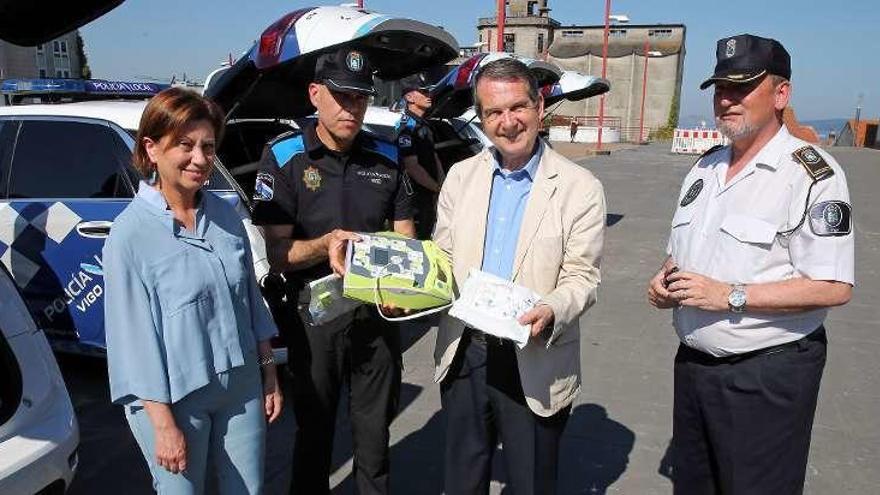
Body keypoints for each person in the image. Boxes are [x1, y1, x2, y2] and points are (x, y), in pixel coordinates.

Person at [647, 34, 854, 494]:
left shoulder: (811, 175)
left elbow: (834, 285)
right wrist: (665, 281)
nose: (727, 100)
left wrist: (731, 296)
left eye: (743, 88)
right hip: (695, 368)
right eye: (721, 89)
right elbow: (684, 251)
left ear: (781, 95)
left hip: (766, 374)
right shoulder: (704, 168)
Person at [432, 58, 607, 494]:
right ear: (481, 117)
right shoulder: (460, 177)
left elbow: (583, 276)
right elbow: (442, 255)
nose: (508, 122)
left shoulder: (579, 187)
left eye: (518, 107)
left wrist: (553, 306)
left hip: (533, 353)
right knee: (461, 482)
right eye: (493, 112)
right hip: (465, 350)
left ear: (539, 105)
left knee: (530, 483)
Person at [250, 47, 415, 495]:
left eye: (360, 98)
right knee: (315, 433)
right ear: (315, 94)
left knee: (374, 433)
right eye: (340, 96)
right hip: (313, 317)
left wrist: (405, 289)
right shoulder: (285, 156)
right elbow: (278, 253)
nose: (351, 107)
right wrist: (325, 245)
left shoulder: (386, 156)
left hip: (375, 314)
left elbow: (405, 238)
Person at [103, 87, 283, 494]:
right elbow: (133, 340)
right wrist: (163, 423)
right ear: (151, 148)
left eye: (208, 146)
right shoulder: (129, 235)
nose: (200, 159)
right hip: (172, 399)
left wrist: (268, 370)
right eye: (185, 145)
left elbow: (249, 300)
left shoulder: (224, 215)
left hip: (240, 386)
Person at [396, 72, 445, 239]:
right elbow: (412, 167)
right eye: (423, 92)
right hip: (415, 200)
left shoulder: (423, 125)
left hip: (429, 194)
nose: (428, 95)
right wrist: (437, 188)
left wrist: (442, 184)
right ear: (409, 97)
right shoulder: (406, 128)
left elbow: (433, 156)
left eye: (428, 91)